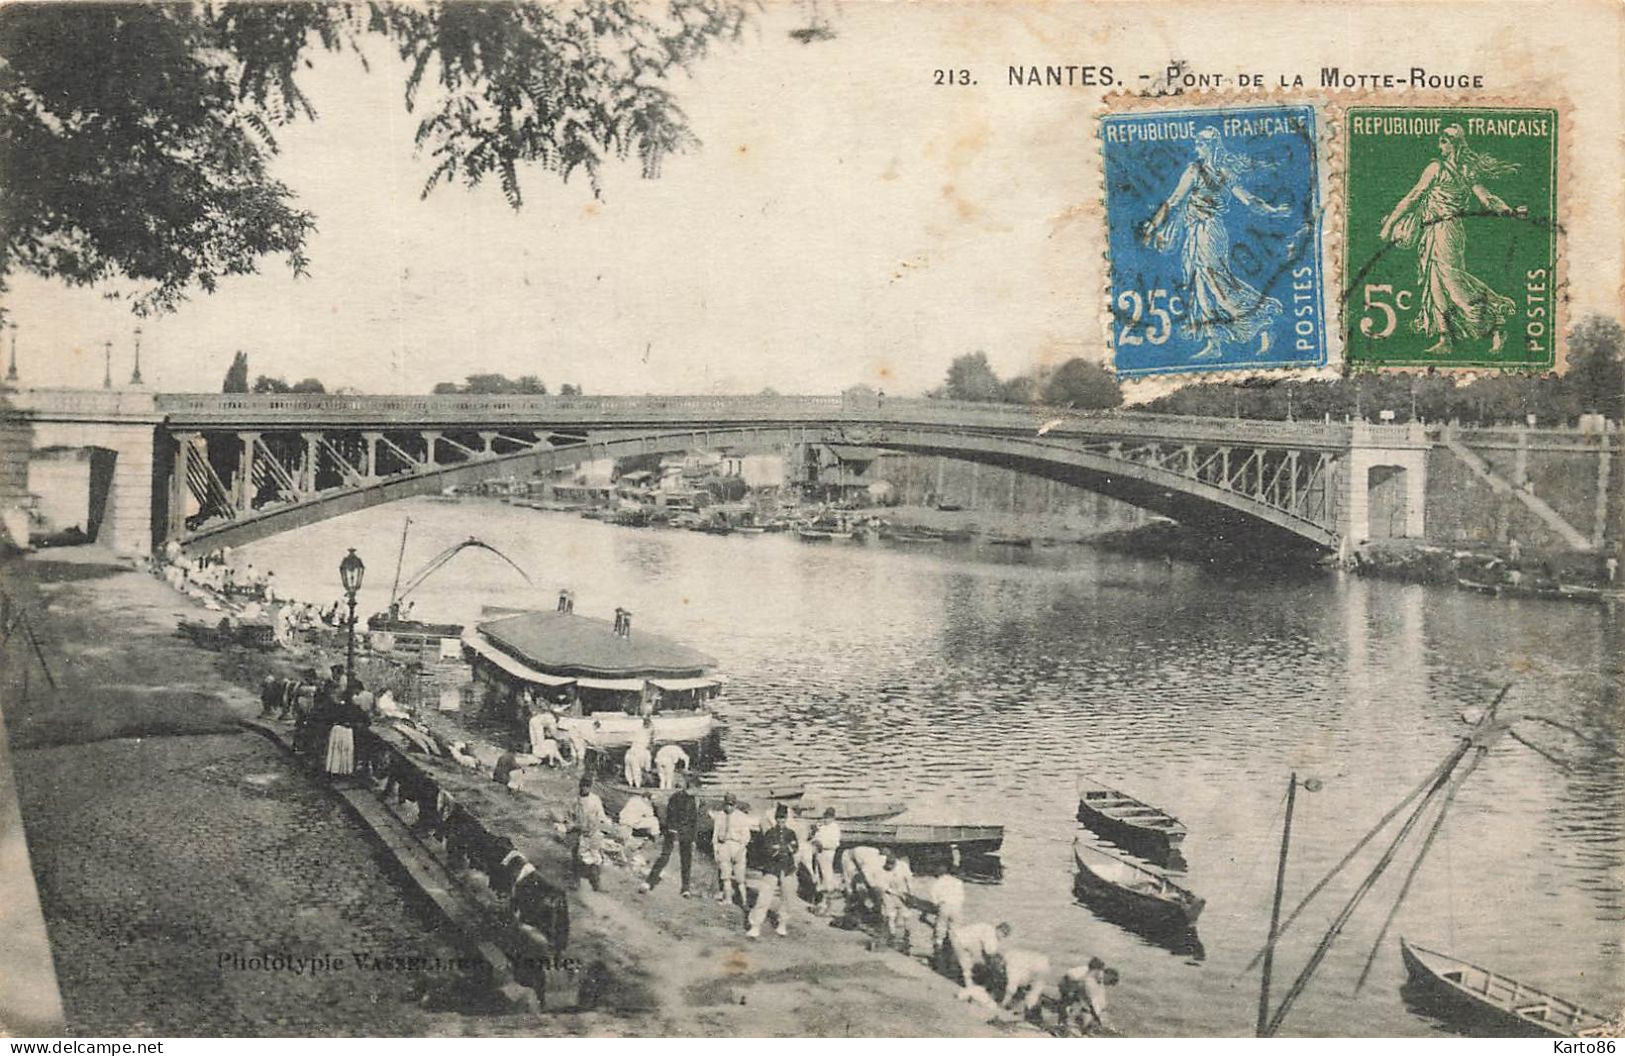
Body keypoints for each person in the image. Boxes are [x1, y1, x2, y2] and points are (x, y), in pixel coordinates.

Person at [1142, 126, 1290, 361]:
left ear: (1210, 146)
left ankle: (1261, 323)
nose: (1196, 148)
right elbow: (1248, 201)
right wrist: (1272, 210)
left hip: (1208, 232)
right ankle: (1215, 342)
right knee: (1198, 284)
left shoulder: (1201, 171)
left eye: (1200, 144)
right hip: (1196, 232)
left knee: (1216, 282)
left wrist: (1153, 225)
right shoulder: (1218, 172)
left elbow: (1173, 201)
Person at [1379, 124, 1524, 356]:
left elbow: (1415, 196)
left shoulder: (1442, 168)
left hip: (1447, 230)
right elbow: (1487, 199)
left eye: (1444, 141)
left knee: (1453, 282)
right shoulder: (1456, 169)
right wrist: (1510, 211)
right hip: (1432, 231)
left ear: (1454, 143)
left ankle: (1497, 320)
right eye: (1440, 141)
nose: (1440, 145)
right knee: (1435, 284)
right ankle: (1445, 338)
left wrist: (1389, 225)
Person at [746, 803, 800, 939]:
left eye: (784, 818)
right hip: (772, 868)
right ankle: (755, 925)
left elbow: (794, 848)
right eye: (779, 818)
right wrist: (782, 849)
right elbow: (767, 850)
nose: (781, 820)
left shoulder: (791, 833)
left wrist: (781, 848)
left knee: (788, 897)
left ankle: (782, 923)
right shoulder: (770, 833)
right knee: (764, 897)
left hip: (787, 868)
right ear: (775, 819)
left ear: (786, 819)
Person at [643, 772, 700, 897]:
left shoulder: (694, 800)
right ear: (693, 787)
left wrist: (694, 839)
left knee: (686, 861)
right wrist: (672, 830)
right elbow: (670, 814)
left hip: (687, 834)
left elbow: (694, 821)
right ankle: (649, 882)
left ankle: (685, 888)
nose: (698, 792)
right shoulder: (676, 797)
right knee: (665, 857)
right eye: (697, 789)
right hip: (673, 831)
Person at [711, 793, 753, 907]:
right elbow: (715, 834)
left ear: (735, 805)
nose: (729, 808)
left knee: (740, 877)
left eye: (732, 805)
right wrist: (716, 849)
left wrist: (741, 850)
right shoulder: (719, 816)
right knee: (725, 875)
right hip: (724, 845)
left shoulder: (741, 817)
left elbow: (746, 837)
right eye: (727, 805)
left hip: (738, 846)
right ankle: (728, 899)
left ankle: (744, 901)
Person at [1058, 958, 1120, 1035]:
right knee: (1074, 1005)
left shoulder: (1098, 977)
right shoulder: (1088, 978)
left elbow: (1100, 994)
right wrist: (1099, 1015)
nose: (1109, 985)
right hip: (1069, 983)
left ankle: (1071, 1022)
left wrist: (1101, 1010)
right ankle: (1065, 1023)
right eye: (1110, 982)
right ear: (1108, 976)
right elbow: (1092, 998)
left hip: (1078, 985)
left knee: (1084, 1007)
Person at [571, 777, 610, 892]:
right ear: (580, 786)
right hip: (580, 831)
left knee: (596, 857)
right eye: (583, 786)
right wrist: (573, 826)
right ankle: (576, 881)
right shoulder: (576, 800)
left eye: (587, 786)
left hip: (593, 830)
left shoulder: (595, 799)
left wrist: (602, 824)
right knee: (577, 857)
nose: (585, 789)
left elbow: (601, 815)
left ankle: (597, 884)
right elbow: (570, 815)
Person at [952, 920, 1012, 990]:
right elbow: (989, 951)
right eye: (1003, 933)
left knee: (967, 963)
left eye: (1005, 935)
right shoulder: (991, 934)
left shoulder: (989, 929)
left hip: (960, 938)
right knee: (967, 965)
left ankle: (967, 983)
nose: (1002, 936)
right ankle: (969, 987)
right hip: (962, 942)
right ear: (998, 929)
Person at [927, 861, 967, 966]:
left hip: (945, 905)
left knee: (940, 928)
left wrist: (936, 906)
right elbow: (962, 897)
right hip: (957, 907)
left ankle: (938, 949)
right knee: (955, 930)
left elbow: (933, 898)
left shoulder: (938, 882)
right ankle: (954, 954)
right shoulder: (958, 881)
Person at [1000, 948, 1051, 1019]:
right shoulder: (1013, 957)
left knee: (1032, 991)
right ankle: (1031, 1009)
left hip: (1036, 964)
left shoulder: (1011, 965)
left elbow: (1011, 988)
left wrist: (1003, 1004)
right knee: (1035, 991)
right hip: (1042, 962)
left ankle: (1030, 1010)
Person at [810, 808, 843, 913]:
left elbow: (835, 843)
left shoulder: (835, 828)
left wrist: (822, 844)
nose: (826, 819)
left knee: (827, 876)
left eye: (829, 817)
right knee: (818, 875)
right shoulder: (822, 826)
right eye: (825, 817)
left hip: (827, 853)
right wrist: (815, 839)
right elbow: (815, 837)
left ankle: (827, 903)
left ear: (833, 818)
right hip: (818, 854)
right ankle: (819, 902)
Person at [624, 718, 654, 787]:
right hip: (635, 756)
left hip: (629, 753)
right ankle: (637, 787)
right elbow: (647, 768)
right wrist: (648, 771)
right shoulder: (647, 752)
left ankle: (630, 784)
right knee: (636, 772)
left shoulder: (640, 732)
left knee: (629, 771)